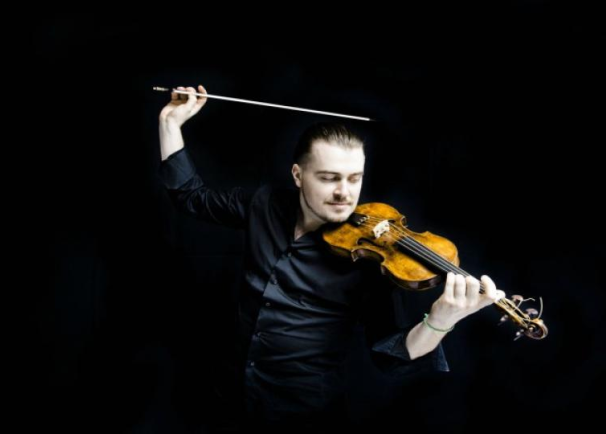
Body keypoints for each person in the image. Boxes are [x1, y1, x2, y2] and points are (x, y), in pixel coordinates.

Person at [156, 85, 505, 430]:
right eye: (329, 178)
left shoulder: (370, 262)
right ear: (298, 175)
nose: (344, 193)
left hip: (302, 415)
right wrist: (170, 123)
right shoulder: (265, 204)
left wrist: (441, 320)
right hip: (227, 398)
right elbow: (190, 196)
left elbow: (391, 355)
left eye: (355, 178)